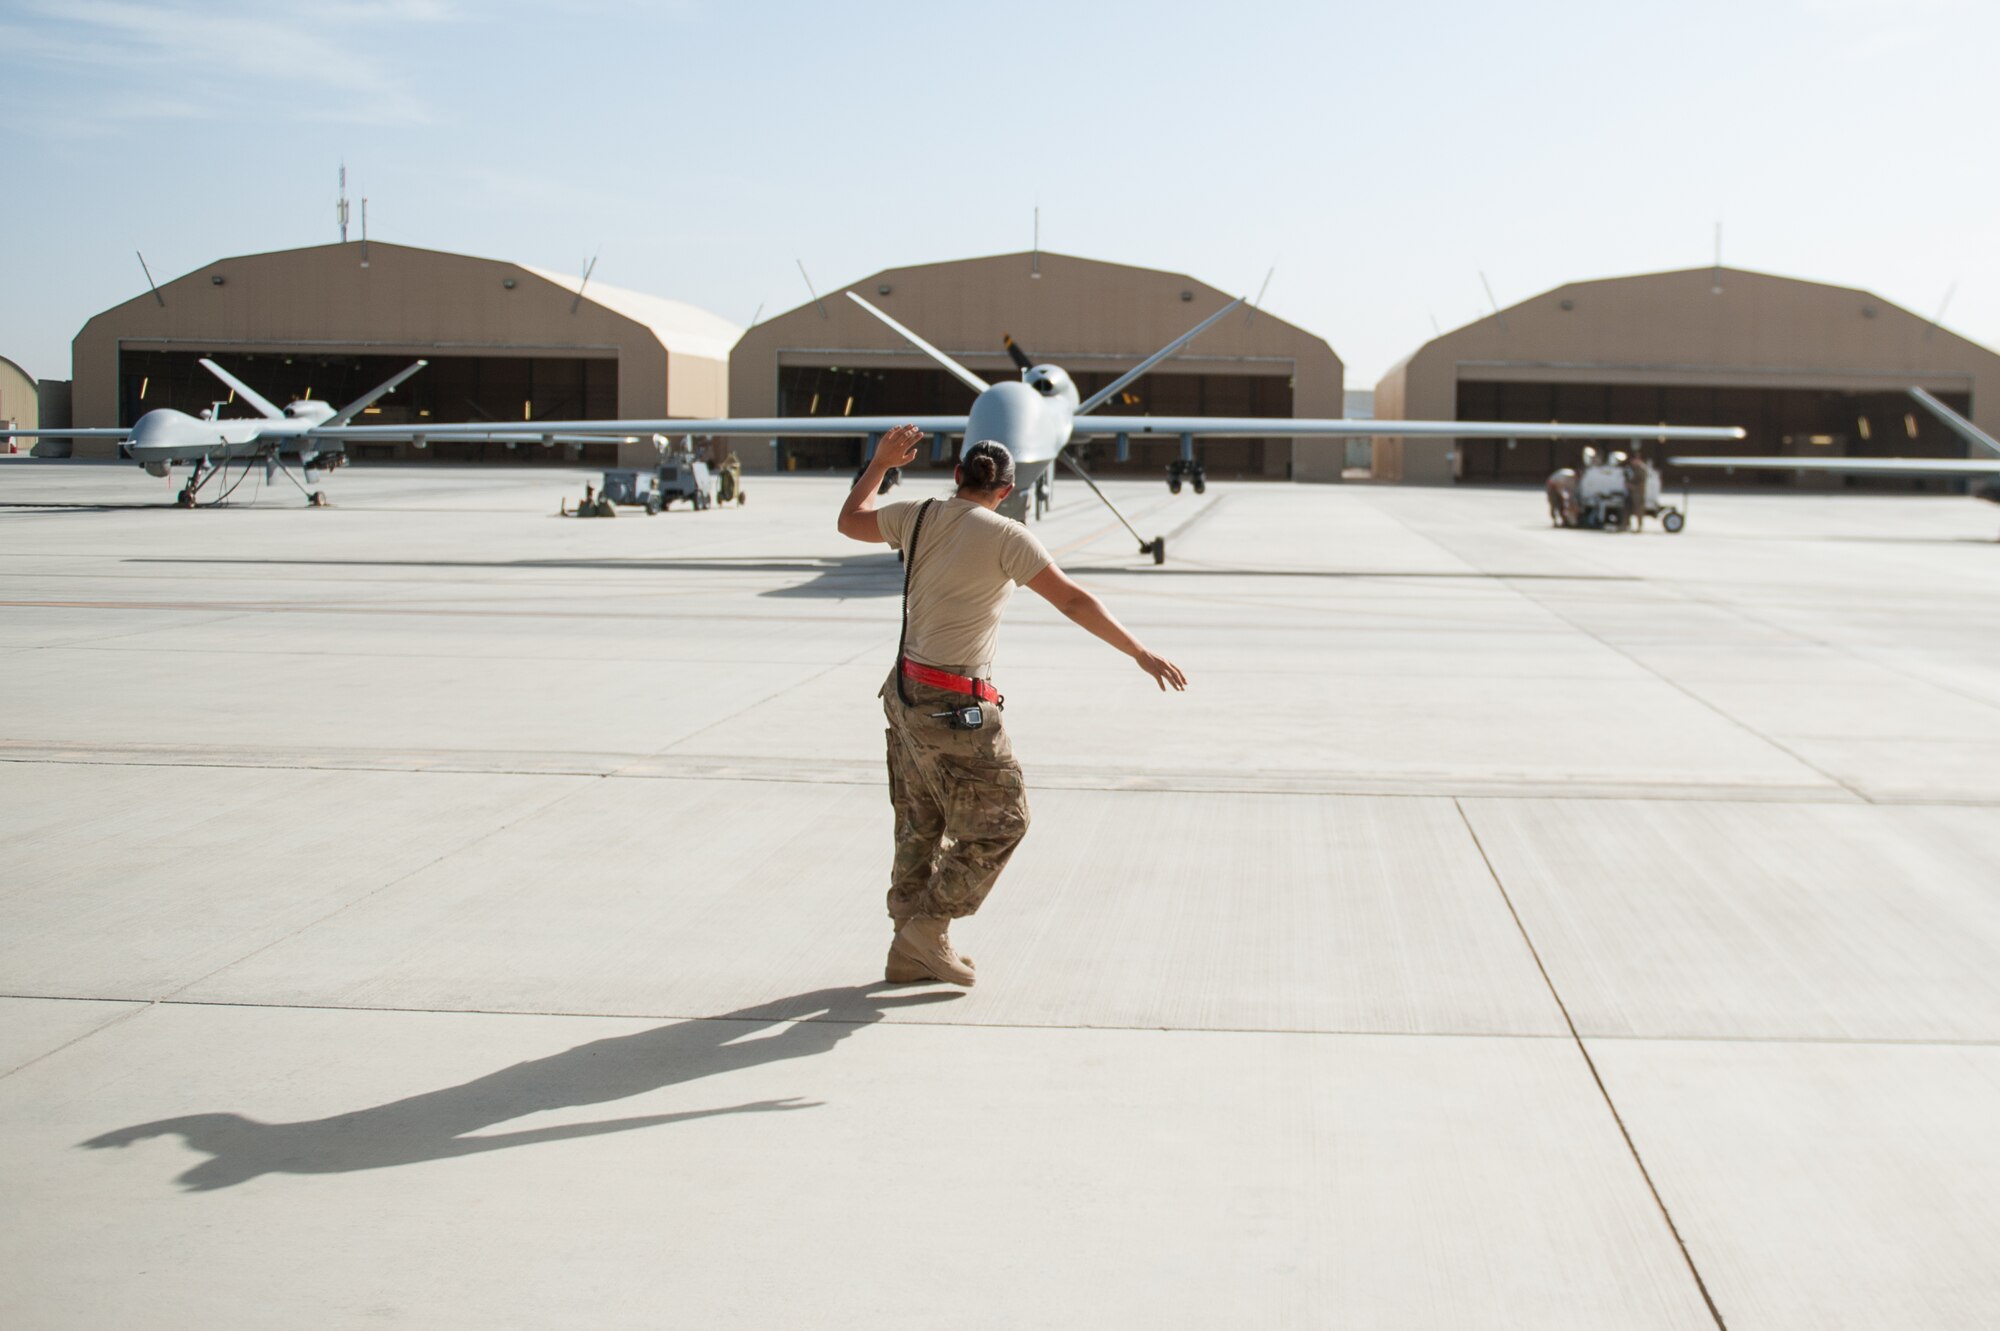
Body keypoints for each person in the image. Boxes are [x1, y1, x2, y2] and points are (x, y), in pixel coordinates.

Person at [836, 426, 1188, 987]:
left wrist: (880, 463)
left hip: (903, 696)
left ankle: (911, 945)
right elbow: (1073, 600)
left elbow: (850, 519)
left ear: (957, 478)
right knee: (1003, 823)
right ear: (1006, 490)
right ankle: (926, 933)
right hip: (954, 706)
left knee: (919, 823)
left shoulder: (916, 515)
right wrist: (1139, 652)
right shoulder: (1009, 537)